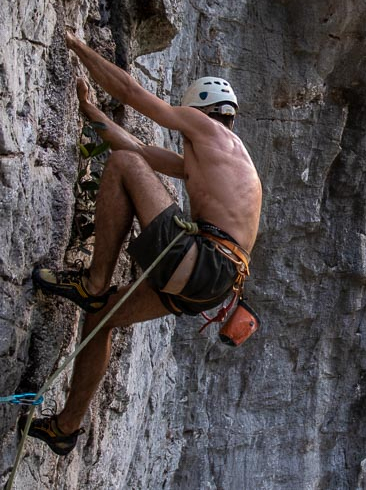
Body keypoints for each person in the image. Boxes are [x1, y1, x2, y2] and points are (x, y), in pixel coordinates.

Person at [22, 31, 263, 455]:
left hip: (205, 261)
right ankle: (65, 428)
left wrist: (78, 47)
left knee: (121, 166)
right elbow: (138, 147)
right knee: (101, 317)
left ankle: (93, 282)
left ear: (199, 110)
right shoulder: (221, 156)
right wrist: (89, 110)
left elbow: (133, 95)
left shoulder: (204, 127)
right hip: (213, 285)